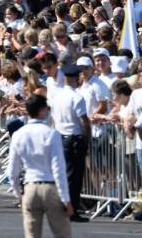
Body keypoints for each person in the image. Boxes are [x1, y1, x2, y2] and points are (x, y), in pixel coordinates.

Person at [7, 94, 73, 238]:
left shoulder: (18, 134)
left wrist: (18, 194)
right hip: (50, 186)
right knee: (62, 233)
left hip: (30, 185)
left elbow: (12, 171)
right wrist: (66, 199)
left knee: (31, 234)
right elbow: (58, 169)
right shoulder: (52, 134)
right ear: (42, 110)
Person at [49, 64, 90, 223]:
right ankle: (71, 210)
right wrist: (88, 138)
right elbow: (84, 121)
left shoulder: (57, 96)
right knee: (74, 177)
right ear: (76, 77)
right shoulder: (77, 97)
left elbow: (53, 119)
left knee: (63, 174)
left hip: (60, 136)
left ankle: (63, 207)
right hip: (74, 138)